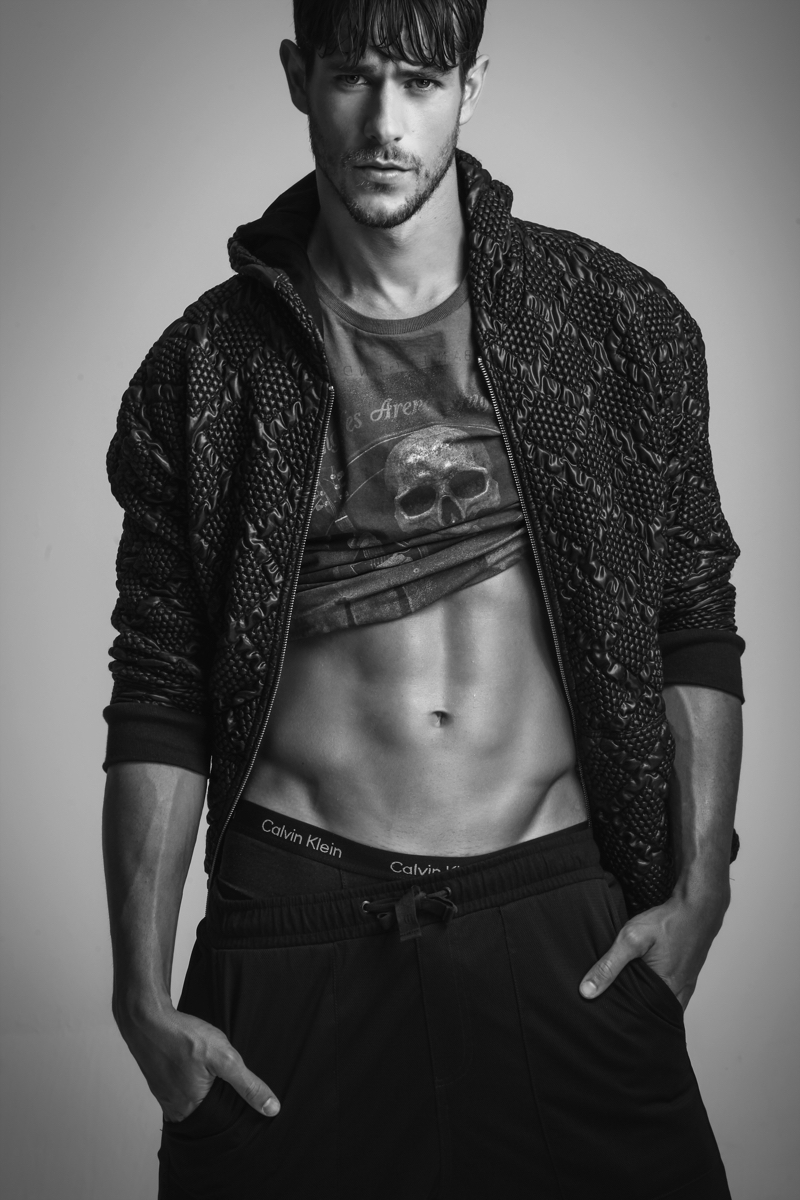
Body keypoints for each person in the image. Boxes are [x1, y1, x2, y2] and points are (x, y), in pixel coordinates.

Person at [101, 1, 745, 1196]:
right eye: (353, 77)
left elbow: (689, 615)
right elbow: (158, 685)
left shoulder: (608, 321)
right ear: (298, 77)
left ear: (470, 86)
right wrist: (140, 997)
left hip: (552, 918)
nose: (385, 121)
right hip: (296, 935)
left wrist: (699, 890)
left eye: (419, 79)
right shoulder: (205, 370)